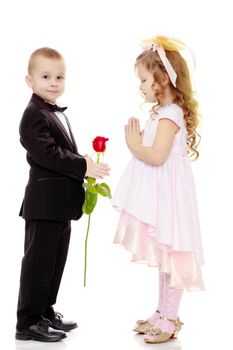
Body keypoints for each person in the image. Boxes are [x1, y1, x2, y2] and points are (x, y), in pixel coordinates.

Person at [112, 36, 204, 344]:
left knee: (173, 255)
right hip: (164, 195)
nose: (140, 86)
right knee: (166, 256)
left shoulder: (170, 114)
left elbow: (157, 156)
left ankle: (170, 318)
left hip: (172, 198)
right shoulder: (164, 113)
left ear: (162, 79)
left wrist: (134, 144)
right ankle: (162, 311)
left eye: (143, 80)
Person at [16, 47, 110, 342]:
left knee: (54, 263)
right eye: (46, 76)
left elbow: (59, 153)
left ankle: (45, 312)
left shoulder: (51, 112)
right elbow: (46, 154)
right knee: (37, 264)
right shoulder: (33, 114)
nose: (54, 82)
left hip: (59, 205)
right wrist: (84, 165)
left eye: (59, 76)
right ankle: (28, 322)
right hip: (43, 204)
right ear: (29, 81)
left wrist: (81, 159)